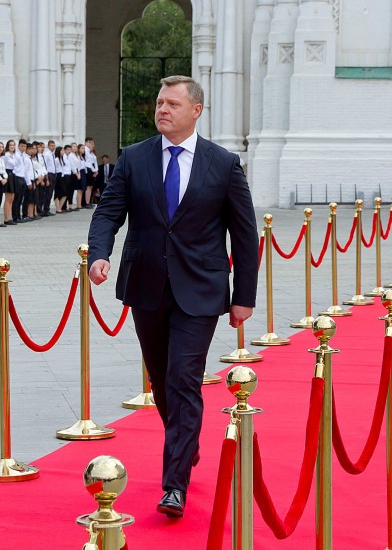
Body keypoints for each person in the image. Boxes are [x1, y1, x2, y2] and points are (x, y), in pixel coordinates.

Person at [87, 75, 257, 517]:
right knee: (162, 381)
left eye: (173, 104)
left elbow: (243, 234)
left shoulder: (223, 163)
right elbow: (109, 211)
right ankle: (185, 441)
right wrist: (99, 255)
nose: (163, 109)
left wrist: (245, 296)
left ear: (196, 110)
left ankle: (173, 484)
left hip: (200, 289)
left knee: (183, 377)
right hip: (146, 285)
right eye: (160, 102)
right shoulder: (134, 158)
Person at [2, 139, 17, 225]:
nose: (12, 147)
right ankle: (6, 218)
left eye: (13, 145)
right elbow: (3, 167)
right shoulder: (6, 155)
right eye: (10, 145)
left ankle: (9, 216)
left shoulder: (14, 155)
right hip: (7, 174)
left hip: (13, 174)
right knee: (8, 198)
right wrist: (5, 177)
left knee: (12, 198)